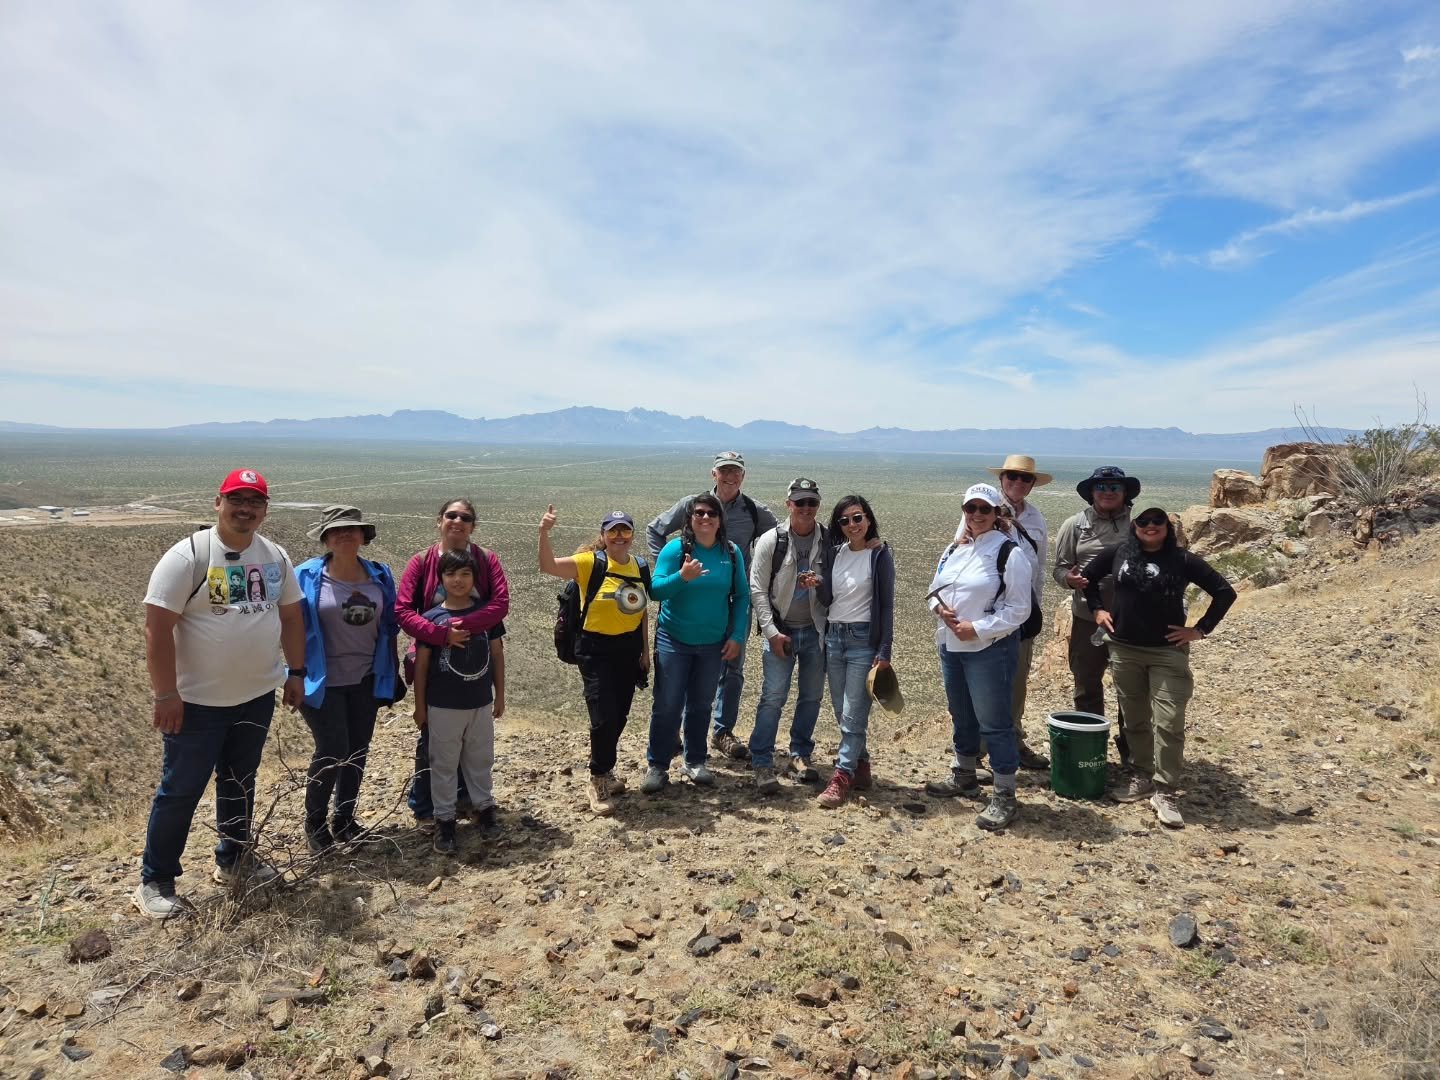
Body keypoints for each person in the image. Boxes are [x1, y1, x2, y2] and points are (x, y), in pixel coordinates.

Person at [134, 468, 305, 919]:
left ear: (265, 510)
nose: (245, 509)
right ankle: (155, 881)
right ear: (218, 503)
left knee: (239, 781)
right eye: (236, 500)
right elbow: (157, 629)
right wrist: (165, 694)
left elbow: (291, 617)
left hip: (255, 696)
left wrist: (297, 672)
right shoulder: (188, 556)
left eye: (254, 502)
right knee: (180, 790)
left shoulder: (275, 557)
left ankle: (234, 860)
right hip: (196, 704)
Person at [1082, 507, 1236, 828]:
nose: (1150, 526)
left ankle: (1165, 789)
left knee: (1169, 720)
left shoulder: (1182, 560)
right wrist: (1097, 609)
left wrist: (1200, 630)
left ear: (1167, 527)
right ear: (1135, 526)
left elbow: (1224, 592)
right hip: (1124, 649)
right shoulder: (1120, 552)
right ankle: (1142, 774)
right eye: (1144, 521)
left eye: (1158, 521)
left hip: (1167, 652)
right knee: (1134, 717)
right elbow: (1088, 578)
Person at [647, 451, 777, 762]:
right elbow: (655, 529)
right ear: (713, 474)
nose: (729, 476)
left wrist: (762, 576)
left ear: (743, 476)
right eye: (724, 471)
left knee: (732, 668)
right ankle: (673, 734)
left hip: (734, 600)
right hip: (689, 598)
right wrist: (671, 568)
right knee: (681, 669)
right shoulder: (694, 505)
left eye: (735, 471)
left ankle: (722, 732)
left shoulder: (755, 511)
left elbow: (780, 539)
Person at [923, 483, 1033, 831]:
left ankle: (1004, 793)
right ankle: (965, 773)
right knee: (961, 712)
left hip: (990, 649)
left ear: (997, 513)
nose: (976, 515)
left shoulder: (1009, 553)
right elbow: (933, 590)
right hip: (951, 645)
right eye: (970, 508)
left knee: (994, 721)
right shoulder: (954, 549)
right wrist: (940, 610)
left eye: (984, 509)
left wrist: (979, 628)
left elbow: (1020, 609)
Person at [397, 498, 510, 829]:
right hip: (434, 661)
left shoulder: (486, 560)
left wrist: (462, 627)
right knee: (433, 740)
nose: (458, 521)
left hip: (475, 661)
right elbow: (403, 610)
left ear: (473, 525)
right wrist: (440, 634)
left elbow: (500, 604)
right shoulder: (422, 562)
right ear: (439, 520)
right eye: (451, 515)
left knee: (471, 742)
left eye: (466, 517)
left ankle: (465, 800)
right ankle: (427, 808)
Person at [294, 505, 400, 853]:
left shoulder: (380, 575)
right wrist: (292, 672)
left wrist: (393, 670)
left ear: (363, 536)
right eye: (336, 530)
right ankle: (314, 825)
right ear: (325, 538)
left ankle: (344, 820)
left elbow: (391, 624)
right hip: (320, 681)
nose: (344, 534)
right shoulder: (304, 576)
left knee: (357, 750)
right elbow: (287, 625)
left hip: (366, 677)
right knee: (332, 749)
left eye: (351, 529)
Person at [539, 506, 651, 815]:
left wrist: (645, 651)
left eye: (625, 530)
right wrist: (544, 532)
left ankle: (606, 769)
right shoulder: (591, 563)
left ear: (632, 535)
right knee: (603, 716)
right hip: (595, 648)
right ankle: (598, 778)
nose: (619, 536)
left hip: (628, 649)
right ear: (603, 534)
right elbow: (548, 565)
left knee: (620, 714)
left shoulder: (640, 566)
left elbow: (641, 610)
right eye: (613, 530)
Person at [642, 491, 751, 794]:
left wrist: (737, 635)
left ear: (720, 520)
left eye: (711, 513)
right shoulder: (676, 550)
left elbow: (742, 596)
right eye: (699, 513)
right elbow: (656, 590)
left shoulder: (731, 553)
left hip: (713, 643)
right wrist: (682, 576)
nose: (705, 518)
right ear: (689, 519)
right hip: (674, 640)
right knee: (668, 704)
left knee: (701, 704)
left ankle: (695, 761)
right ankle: (657, 765)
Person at [412, 550, 502, 855]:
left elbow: (497, 654)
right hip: (443, 704)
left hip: (480, 702)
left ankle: (485, 809)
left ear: (475, 578)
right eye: (450, 574)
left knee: (481, 758)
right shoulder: (431, 619)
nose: (458, 580)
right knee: (443, 763)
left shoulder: (487, 615)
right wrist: (420, 706)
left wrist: (500, 695)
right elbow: (422, 666)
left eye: (465, 573)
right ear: (440, 579)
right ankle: (445, 820)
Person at [747, 478, 828, 793]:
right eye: (800, 502)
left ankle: (800, 754)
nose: (806, 508)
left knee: (811, 696)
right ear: (788, 504)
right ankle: (761, 760)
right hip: (781, 630)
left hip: (815, 631)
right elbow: (758, 589)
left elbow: (840, 578)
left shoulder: (828, 539)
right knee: (773, 697)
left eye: (812, 502)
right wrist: (771, 632)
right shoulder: (772, 541)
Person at [1053, 466, 1138, 764]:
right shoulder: (1075, 525)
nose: (1107, 492)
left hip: (1131, 622)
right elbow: (1059, 568)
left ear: (1125, 492)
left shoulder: (1139, 524)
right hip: (1087, 619)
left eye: (1114, 487)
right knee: (1087, 684)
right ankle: (1091, 750)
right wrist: (1069, 579)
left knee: (1132, 688)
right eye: (1101, 486)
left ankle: (1133, 751)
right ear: (1091, 492)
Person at [815, 494, 895, 809]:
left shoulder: (880, 555)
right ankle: (862, 767)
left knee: (853, 713)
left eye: (858, 517)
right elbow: (827, 599)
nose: (852, 524)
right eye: (845, 520)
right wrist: (816, 584)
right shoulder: (836, 554)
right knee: (841, 710)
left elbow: (886, 606)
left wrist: (884, 650)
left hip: (863, 641)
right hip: (834, 638)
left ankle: (841, 777)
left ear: (868, 519)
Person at [986, 455, 1053, 772]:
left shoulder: (1037, 518)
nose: (1018, 482)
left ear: (1032, 484)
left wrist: (1034, 610)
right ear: (1001, 479)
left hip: (1023, 611)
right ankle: (977, 750)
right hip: (990, 611)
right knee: (985, 681)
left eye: (1025, 478)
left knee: (1017, 681)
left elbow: (1039, 568)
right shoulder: (983, 508)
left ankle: (1014, 740)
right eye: (1012, 476)